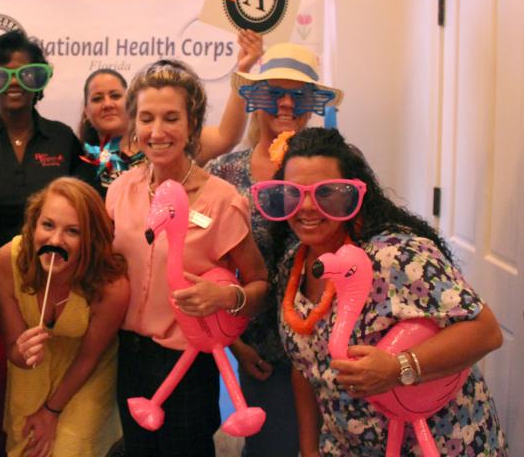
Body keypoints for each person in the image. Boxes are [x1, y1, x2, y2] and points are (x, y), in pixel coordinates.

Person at [255, 128, 507, 456]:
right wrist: (309, 449)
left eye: (326, 192)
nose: (307, 206)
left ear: (353, 195)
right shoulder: (294, 265)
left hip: (440, 441)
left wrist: (397, 368)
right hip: (347, 446)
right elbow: (305, 368)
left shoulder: (395, 255)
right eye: (293, 193)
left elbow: (486, 331)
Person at [106, 59, 270, 456]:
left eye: (171, 118)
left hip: (189, 360)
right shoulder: (120, 190)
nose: (157, 131)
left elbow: (259, 284)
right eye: (146, 118)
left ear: (192, 123)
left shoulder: (221, 200)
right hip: (128, 353)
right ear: (134, 124)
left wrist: (227, 298)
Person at [0, 29, 89, 456]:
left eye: (26, 73)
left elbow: (86, 210)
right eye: (3, 73)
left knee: (49, 393)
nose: (14, 83)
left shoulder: (62, 138)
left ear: (39, 80)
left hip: (55, 291)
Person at [204, 42, 343, 456]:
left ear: (312, 103)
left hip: (331, 348)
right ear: (255, 99)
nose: (285, 104)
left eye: (298, 95)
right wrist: (236, 345)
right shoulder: (225, 174)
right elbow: (209, 266)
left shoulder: (339, 168)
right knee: (270, 447)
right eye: (273, 93)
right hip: (261, 349)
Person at [0, 177, 129, 456]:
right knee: (27, 446)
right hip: (33, 371)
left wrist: (51, 411)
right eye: (48, 225)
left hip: (86, 372)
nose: (55, 240)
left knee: (70, 448)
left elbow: (88, 358)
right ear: (34, 224)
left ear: (90, 239)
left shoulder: (111, 287)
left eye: (73, 231)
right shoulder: (5, 263)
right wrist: (22, 352)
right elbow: (14, 351)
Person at [79, 30, 263, 194]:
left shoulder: (174, 139)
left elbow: (226, 136)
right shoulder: (79, 156)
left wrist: (244, 70)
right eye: (97, 98)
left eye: (115, 95)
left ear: (130, 104)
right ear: (86, 111)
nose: (108, 104)